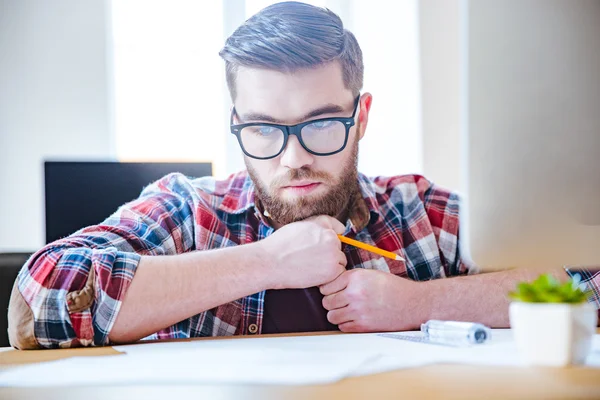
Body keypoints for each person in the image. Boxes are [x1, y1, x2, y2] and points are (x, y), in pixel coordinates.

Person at [8, 1, 598, 349]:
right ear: (237, 123)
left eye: (320, 124)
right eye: (264, 128)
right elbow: (37, 303)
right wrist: (264, 262)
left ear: (360, 117)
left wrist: (420, 302)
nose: (293, 158)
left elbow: (588, 274)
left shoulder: (417, 212)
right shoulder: (190, 211)